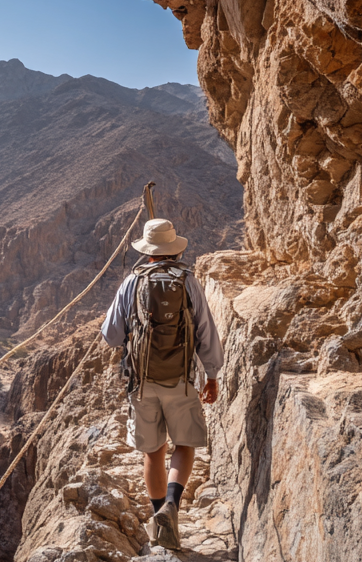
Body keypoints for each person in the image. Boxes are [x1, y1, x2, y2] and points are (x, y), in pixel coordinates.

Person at [100, 218, 223, 551]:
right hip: (182, 379)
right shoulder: (188, 281)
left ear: (147, 251)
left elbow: (110, 334)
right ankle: (172, 505)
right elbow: (205, 332)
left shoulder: (132, 282)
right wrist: (211, 375)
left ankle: (159, 520)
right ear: (174, 249)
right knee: (184, 444)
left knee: (154, 453)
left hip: (142, 383)